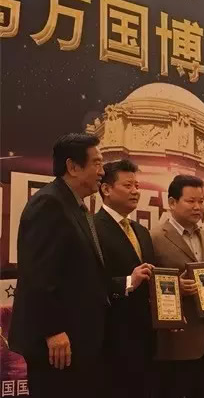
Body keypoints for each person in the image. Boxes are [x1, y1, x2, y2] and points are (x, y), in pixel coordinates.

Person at [9, 133, 107, 398]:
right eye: (96, 163)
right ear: (73, 167)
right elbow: (37, 274)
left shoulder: (74, 205)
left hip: (76, 340)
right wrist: (52, 330)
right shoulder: (50, 203)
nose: (102, 171)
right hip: (56, 344)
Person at [151, 175, 204, 398]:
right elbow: (147, 285)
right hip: (175, 344)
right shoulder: (154, 238)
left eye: (201, 201)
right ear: (172, 202)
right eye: (191, 201)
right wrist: (175, 287)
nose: (198, 207)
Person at [94, 159, 155, 398]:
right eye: (128, 185)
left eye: (137, 186)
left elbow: (150, 278)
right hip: (110, 336)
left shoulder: (142, 231)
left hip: (145, 336)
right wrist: (128, 281)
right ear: (106, 189)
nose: (135, 191)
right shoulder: (92, 228)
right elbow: (87, 282)